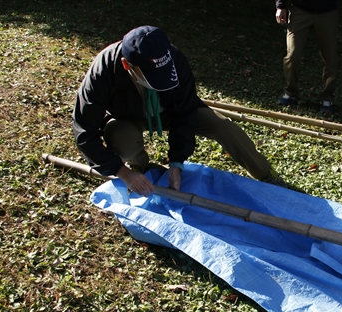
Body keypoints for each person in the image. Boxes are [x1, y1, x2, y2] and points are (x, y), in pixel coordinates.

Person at [73, 26, 286, 197]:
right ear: (127, 66)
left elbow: (185, 111)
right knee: (123, 140)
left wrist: (177, 162)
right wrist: (123, 172)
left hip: (168, 112)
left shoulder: (174, 59)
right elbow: (84, 132)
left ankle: (265, 174)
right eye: (151, 78)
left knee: (220, 125)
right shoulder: (103, 71)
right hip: (127, 116)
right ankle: (144, 168)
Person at [275, 0, 342, 114]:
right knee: (292, 56)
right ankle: (290, 92)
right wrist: (280, 6)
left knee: (330, 58)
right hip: (300, 11)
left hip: (328, 13)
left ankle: (327, 98)